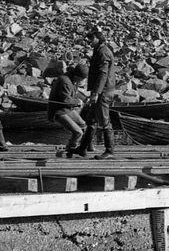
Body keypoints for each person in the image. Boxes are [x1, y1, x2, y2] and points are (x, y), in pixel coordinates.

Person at [83, 24, 118, 159]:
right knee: (91, 119)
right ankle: (85, 146)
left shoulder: (103, 52)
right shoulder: (99, 50)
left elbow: (103, 74)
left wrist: (96, 93)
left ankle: (110, 151)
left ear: (98, 38)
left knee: (104, 121)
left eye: (91, 38)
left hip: (103, 92)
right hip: (99, 91)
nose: (89, 41)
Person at [49, 63, 89, 157]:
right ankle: (69, 150)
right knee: (78, 132)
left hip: (67, 109)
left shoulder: (73, 78)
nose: (83, 81)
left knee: (83, 126)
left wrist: (85, 99)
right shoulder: (65, 81)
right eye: (82, 79)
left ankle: (81, 148)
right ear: (78, 76)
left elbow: (75, 92)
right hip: (58, 111)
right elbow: (66, 100)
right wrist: (78, 102)